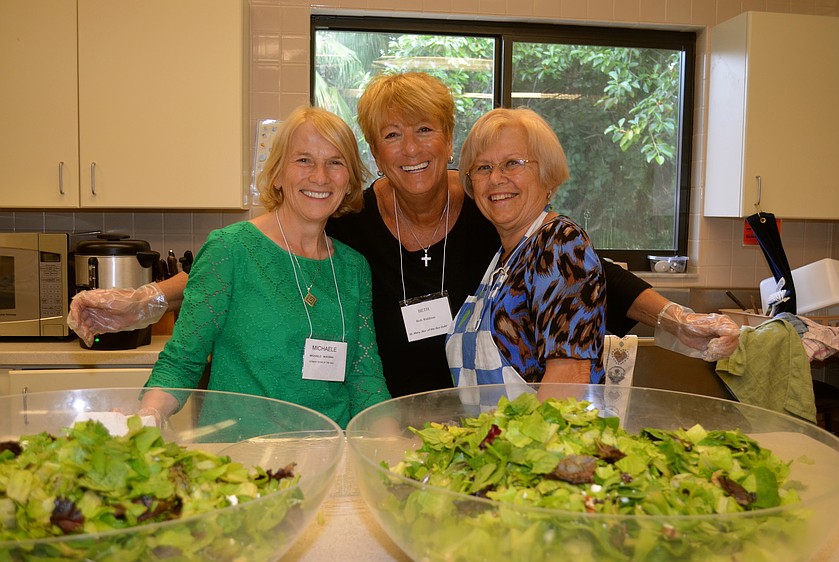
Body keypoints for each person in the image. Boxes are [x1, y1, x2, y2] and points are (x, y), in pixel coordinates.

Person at [67, 72, 739, 397]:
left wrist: (677, 313)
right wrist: (149, 297)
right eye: (392, 134)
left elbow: (584, 270)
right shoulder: (352, 212)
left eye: (426, 130)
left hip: (478, 415)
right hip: (383, 407)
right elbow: (252, 252)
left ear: (449, 138)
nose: (412, 147)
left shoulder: (485, 205)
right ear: (375, 148)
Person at [133, 106, 390, 428]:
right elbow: (183, 360)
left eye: (335, 162)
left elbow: (364, 376)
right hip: (242, 459)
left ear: (350, 179)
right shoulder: (231, 249)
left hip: (329, 454)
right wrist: (148, 418)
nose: (320, 176)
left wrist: (389, 448)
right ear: (279, 172)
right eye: (304, 160)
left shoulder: (353, 267)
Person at [447, 107, 606, 386]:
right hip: (496, 429)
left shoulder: (560, 244)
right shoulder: (504, 256)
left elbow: (568, 379)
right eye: (483, 167)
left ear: (546, 173)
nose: (496, 179)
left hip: (550, 428)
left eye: (512, 163)